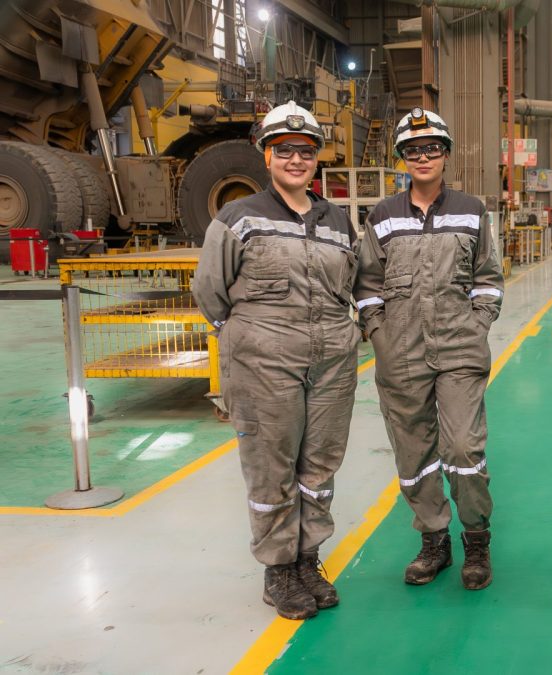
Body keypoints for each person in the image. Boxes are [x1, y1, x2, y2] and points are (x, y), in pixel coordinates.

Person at [192, 100, 361, 621]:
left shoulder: (338, 220)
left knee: (320, 464)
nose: (295, 159)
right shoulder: (238, 217)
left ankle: (308, 559)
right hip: (263, 362)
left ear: (316, 160)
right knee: (271, 467)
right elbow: (210, 290)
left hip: (332, 362)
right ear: (267, 156)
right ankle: (278, 570)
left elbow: (356, 284)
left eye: (305, 151)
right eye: (284, 150)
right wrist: (249, 341)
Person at [357, 108, 503, 590]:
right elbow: (368, 285)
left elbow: (488, 279)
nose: (423, 157)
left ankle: (476, 538)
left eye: (432, 148)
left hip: (460, 350)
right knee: (413, 452)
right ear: (402, 158)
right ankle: (433, 540)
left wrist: (477, 325)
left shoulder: (471, 209)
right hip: (399, 354)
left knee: (462, 446)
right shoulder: (383, 215)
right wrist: (379, 334)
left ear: (446, 154)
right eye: (413, 150)